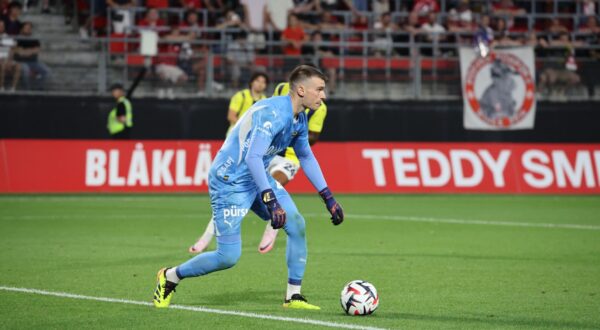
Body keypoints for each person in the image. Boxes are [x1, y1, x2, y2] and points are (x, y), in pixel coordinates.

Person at [153, 65, 343, 310]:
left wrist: (327, 197)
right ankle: (170, 277)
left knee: (296, 224)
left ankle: (293, 296)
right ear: (301, 89)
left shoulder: (300, 117)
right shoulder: (274, 113)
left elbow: (305, 156)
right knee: (228, 257)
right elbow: (253, 156)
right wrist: (271, 200)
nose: (323, 96)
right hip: (229, 180)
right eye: (319, 90)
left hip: (257, 176)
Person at [189, 80, 328, 254]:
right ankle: (206, 238)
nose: (320, 94)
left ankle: (273, 227)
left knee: (274, 186)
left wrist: (295, 131)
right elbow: (272, 114)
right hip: (267, 153)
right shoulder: (283, 88)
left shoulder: (320, 108)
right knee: (233, 199)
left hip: (289, 158)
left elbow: (312, 138)